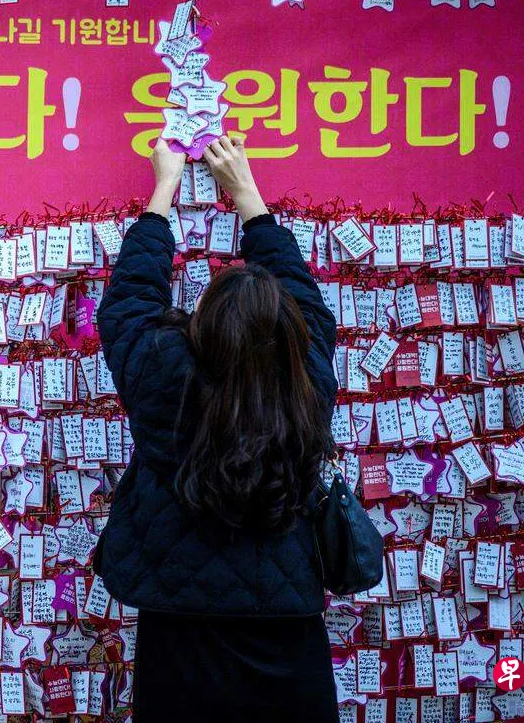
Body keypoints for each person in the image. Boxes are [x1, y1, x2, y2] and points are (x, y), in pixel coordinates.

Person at [95, 135, 340, 721]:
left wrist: (163, 191)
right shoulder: (305, 378)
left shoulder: (166, 376)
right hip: (288, 637)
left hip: (179, 633)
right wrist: (248, 195)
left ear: (200, 326)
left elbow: (129, 305)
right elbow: (307, 304)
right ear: (288, 332)